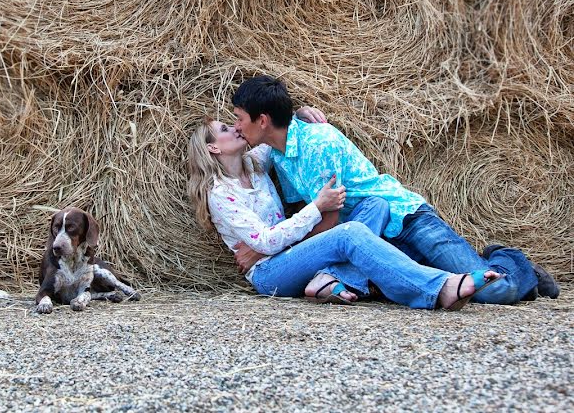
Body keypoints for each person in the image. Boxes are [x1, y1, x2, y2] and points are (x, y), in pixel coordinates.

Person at [230, 75, 560, 304]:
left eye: (239, 118)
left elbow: (327, 223)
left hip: (405, 218)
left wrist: (265, 250)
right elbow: (307, 211)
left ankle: (510, 259)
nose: (235, 127)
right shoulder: (280, 155)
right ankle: (480, 263)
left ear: (262, 120)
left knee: (493, 293)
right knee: (459, 285)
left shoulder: (319, 143)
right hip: (372, 239)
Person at [187, 117, 502, 310]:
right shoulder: (220, 195)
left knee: (376, 205)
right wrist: (317, 206)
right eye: (226, 129)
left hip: (294, 251)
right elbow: (267, 244)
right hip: (271, 273)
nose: (237, 127)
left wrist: (299, 113)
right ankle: (437, 288)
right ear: (214, 148)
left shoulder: (255, 164)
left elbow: (275, 132)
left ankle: (332, 279)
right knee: (348, 233)